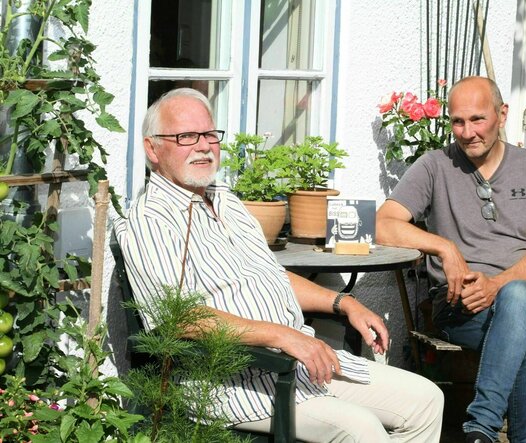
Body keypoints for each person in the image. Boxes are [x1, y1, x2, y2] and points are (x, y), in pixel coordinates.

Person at [116, 87, 444, 442]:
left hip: (302, 366)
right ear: (152, 148)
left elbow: (272, 277)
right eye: (186, 136)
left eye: (210, 134)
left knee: (427, 400)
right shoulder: (150, 221)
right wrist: (283, 337)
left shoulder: (225, 200)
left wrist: (343, 302)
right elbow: (181, 319)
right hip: (232, 383)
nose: (203, 146)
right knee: (360, 429)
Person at [376, 76, 526, 443]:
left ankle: (482, 424)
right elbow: (385, 225)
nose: (467, 132)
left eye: (478, 119)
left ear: (502, 114)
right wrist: (446, 249)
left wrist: (497, 285)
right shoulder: (434, 166)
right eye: (457, 121)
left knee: (516, 296)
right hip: (460, 305)